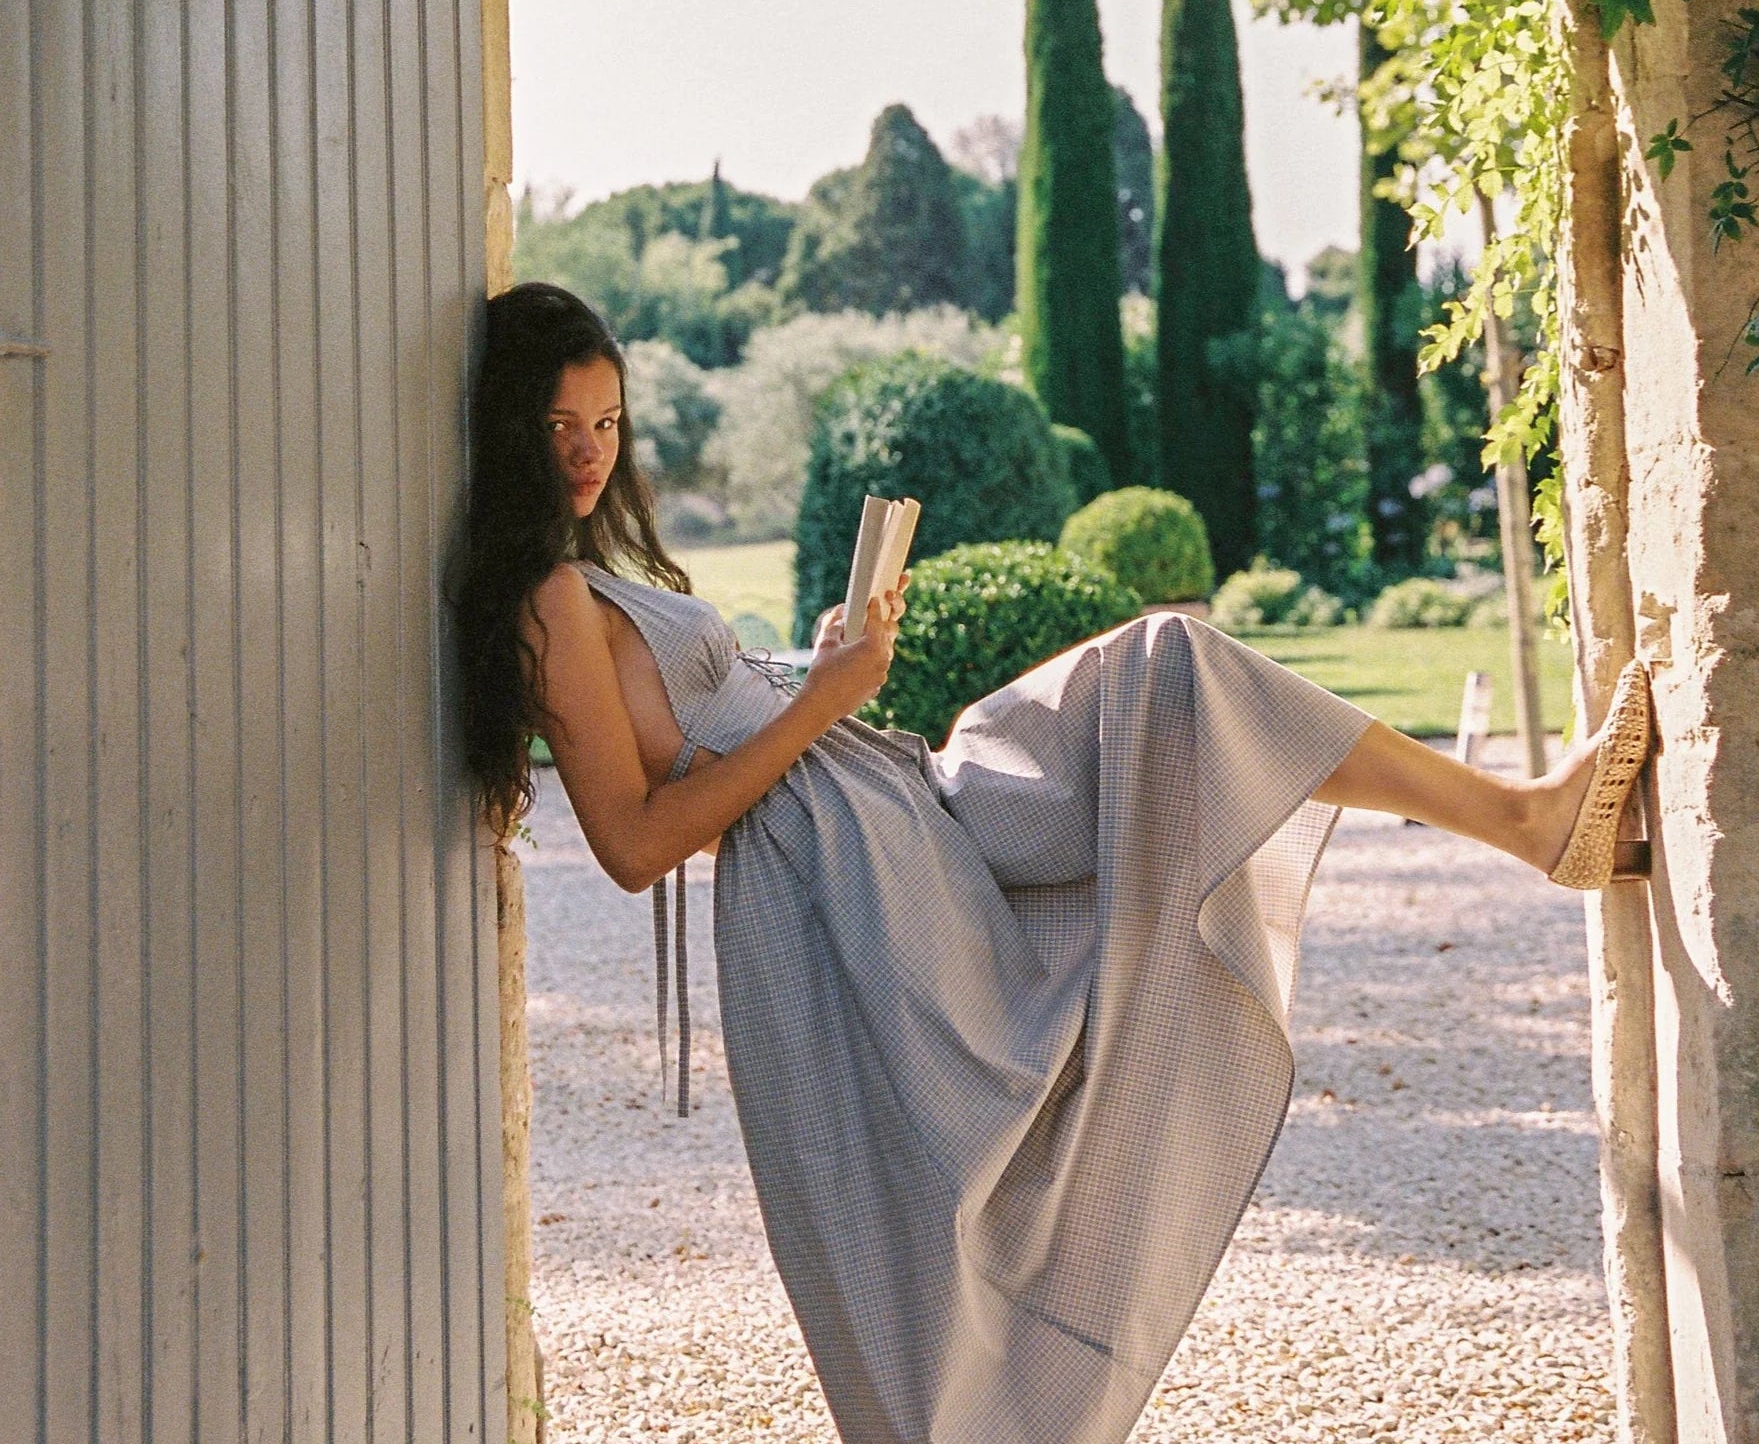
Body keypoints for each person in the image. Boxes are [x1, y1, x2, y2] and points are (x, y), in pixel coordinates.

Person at [458, 281, 1655, 1444]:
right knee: (1168, 680)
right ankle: (1525, 821)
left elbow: (709, 730)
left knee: (1173, 675)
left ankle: (1525, 819)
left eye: (607, 422)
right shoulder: (549, 599)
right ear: (510, 425)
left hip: (905, 807)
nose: (588, 453)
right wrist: (821, 699)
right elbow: (635, 842)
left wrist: (821, 669)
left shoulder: (594, 575)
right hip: (853, 887)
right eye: (560, 425)